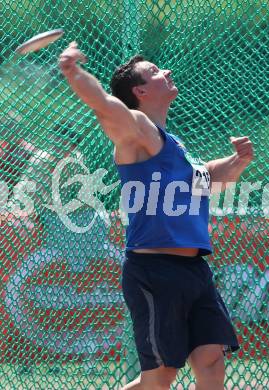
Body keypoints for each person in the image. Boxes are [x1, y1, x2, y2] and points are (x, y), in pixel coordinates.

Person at [59, 42, 253, 390]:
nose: (166, 72)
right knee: (160, 377)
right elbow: (104, 106)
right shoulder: (137, 131)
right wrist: (75, 73)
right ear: (141, 91)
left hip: (195, 271)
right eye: (154, 72)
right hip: (154, 271)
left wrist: (236, 163)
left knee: (211, 362)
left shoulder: (174, 144)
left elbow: (206, 179)